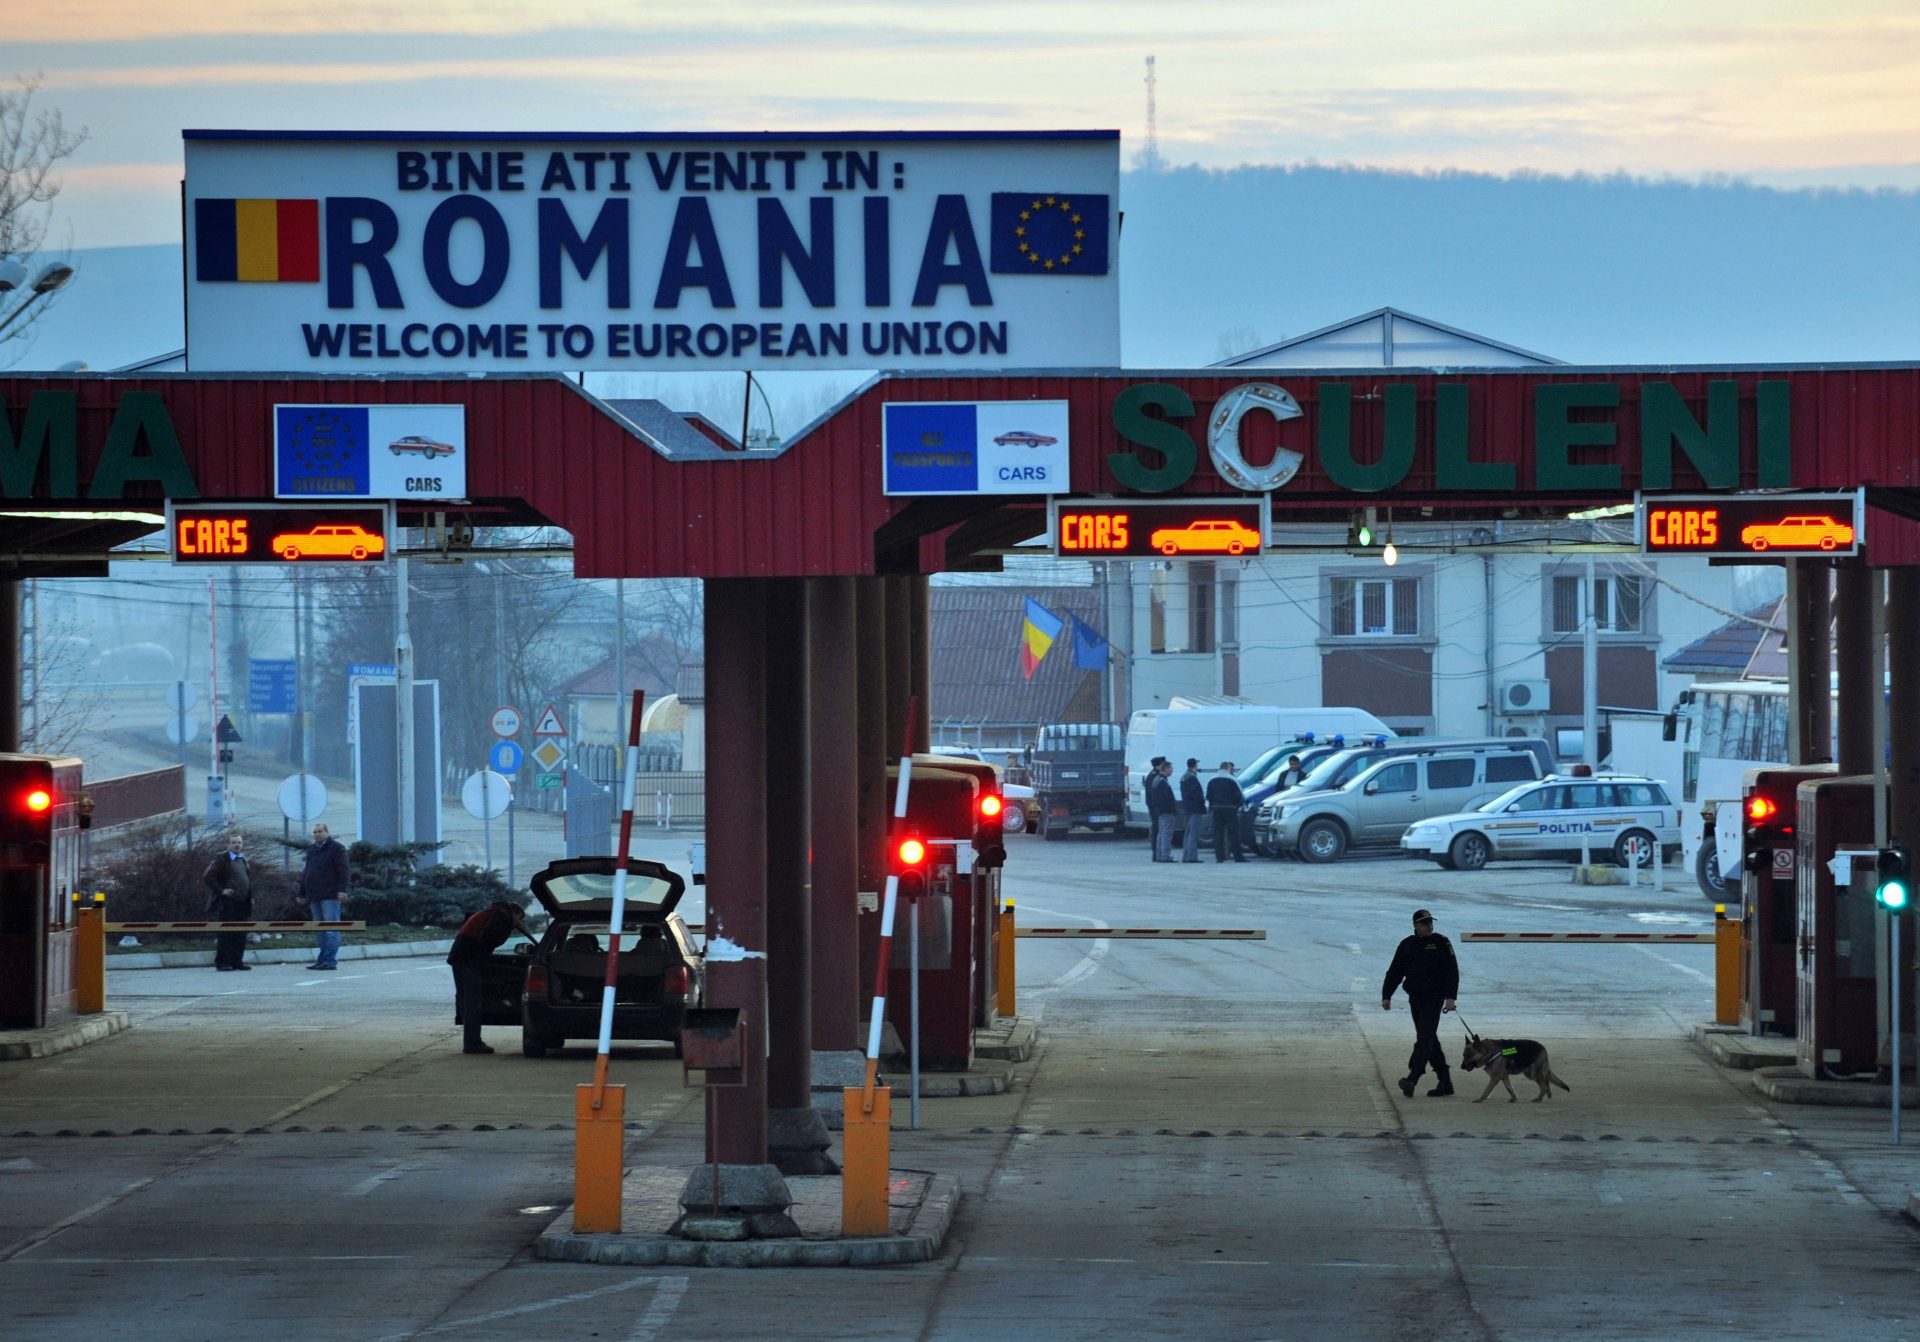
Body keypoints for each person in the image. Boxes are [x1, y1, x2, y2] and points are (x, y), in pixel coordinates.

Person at [1381, 908, 1460, 1097]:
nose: (1429, 926)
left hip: (1434, 997)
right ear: (1415, 925)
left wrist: (1450, 997)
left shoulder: (1441, 942)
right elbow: (1395, 972)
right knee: (1429, 1038)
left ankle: (1413, 1077)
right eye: (1424, 923)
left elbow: (1452, 971)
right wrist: (1387, 995)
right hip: (1416, 998)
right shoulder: (1407, 945)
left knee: (1425, 1038)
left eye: (1430, 922)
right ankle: (1445, 1081)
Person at [447, 899, 527, 1054]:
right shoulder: (501, 918)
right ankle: (472, 1043)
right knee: (473, 1003)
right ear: (515, 913)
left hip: (460, 957)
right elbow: (489, 940)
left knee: (467, 1001)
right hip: (469, 960)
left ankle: (471, 1041)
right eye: (519, 918)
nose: (519, 923)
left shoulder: (490, 914)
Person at [299, 822, 351, 971]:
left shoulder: (336, 848)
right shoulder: (312, 850)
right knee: (320, 929)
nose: (317, 834)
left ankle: (330, 960)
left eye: (320, 831)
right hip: (314, 895)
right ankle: (322, 959)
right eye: (315, 832)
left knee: (331, 929)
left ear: (327, 832)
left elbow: (343, 871)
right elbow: (307, 872)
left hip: (330, 895)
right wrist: (301, 892)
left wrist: (342, 889)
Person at [202, 830, 253, 971]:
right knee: (226, 933)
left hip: (243, 902)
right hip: (227, 903)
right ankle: (223, 962)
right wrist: (221, 890)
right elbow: (208, 877)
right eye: (234, 842)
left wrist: (250, 896)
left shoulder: (243, 859)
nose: (237, 845)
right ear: (228, 844)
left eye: (239, 842)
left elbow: (246, 879)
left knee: (240, 933)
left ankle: (237, 961)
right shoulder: (222, 859)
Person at [1205, 761, 1248, 863]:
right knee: (1233, 833)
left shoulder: (1212, 780)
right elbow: (1240, 796)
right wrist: (1236, 806)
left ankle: (1219, 857)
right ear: (1228, 768)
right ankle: (1238, 856)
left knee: (1217, 833)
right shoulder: (1232, 779)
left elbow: (1208, 796)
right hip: (1230, 809)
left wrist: (1211, 807)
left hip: (1216, 809)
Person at [1144, 757, 1177, 863]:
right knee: (1164, 832)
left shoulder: (1156, 777)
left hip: (1158, 809)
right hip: (1162, 810)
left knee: (1161, 832)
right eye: (1170, 768)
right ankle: (1163, 855)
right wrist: (1170, 809)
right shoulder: (1158, 779)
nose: (1172, 770)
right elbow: (1161, 797)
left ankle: (1159, 855)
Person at [1178, 757, 1207, 863]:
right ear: (1194, 765)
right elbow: (1196, 794)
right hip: (1194, 809)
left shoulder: (1184, 776)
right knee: (1193, 833)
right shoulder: (1191, 777)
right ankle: (1192, 856)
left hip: (1188, 808)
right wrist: (1202, 802)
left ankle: (1186, 855)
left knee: (1188, 832)